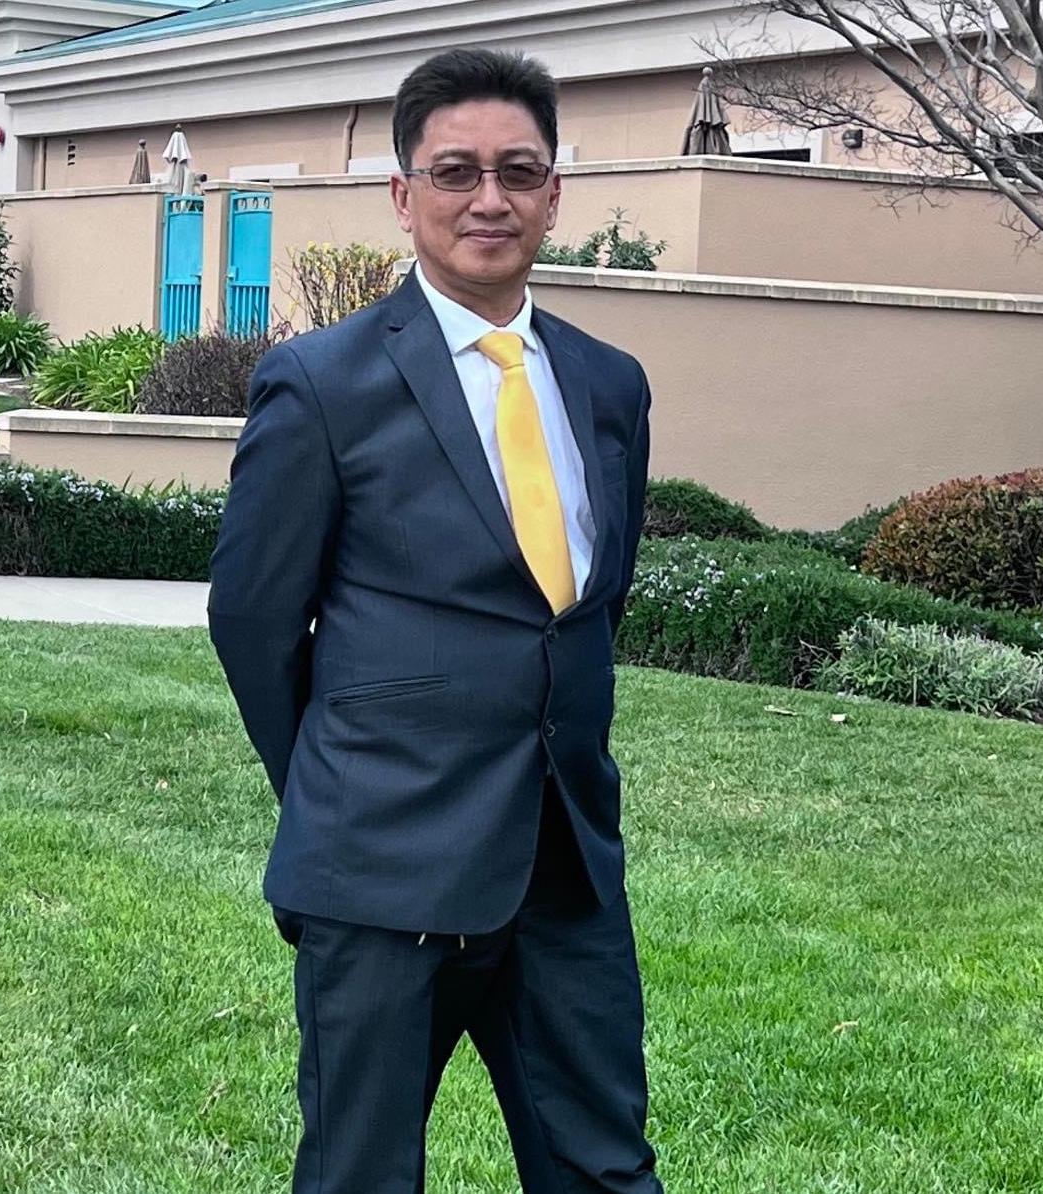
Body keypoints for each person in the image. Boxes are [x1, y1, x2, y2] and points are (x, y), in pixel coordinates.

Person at [208, 46, 664, 1194]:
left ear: (555, 194)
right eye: (456, 172)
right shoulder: (322, 383)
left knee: (605, 1170)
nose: (489, 198)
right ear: (403, 196)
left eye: (519, 171)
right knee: (360, 1175)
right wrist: (339, 786)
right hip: (380, 873)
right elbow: (254, 621)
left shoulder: (610, 385)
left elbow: (588, 606)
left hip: (565, 867)